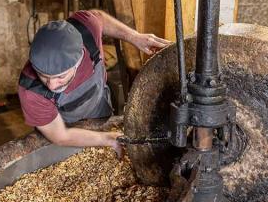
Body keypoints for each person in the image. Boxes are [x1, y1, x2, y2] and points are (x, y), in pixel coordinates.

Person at [18, 10, 170, 155]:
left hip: (100, 108)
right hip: (66, 127)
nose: (51, 85)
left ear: (78, 61)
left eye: (60, 77)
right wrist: (105, 139)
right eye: (43, 75)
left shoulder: (87, 28)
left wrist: (134, 37)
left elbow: (100, 18)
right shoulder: (31, 90)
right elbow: (61, 136)